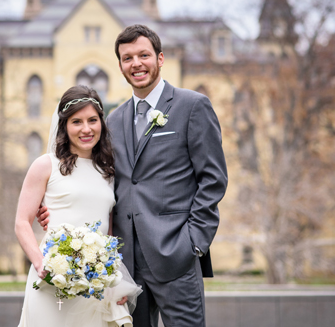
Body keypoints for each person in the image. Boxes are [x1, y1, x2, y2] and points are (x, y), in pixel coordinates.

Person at [38, 25, 228, 327]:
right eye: (128, 58)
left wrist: (194, 243)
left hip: (176, 256)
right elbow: (99, 178)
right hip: (127, 266)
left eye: (143, 55)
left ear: (160, 58)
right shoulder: (113, 120)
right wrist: (56, 207)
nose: (136, 64)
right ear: (120, 66)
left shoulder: (192, 106)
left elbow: (213, 179)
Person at [15, 85, 140, 327]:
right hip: (52, 281)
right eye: (77, 122)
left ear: (101, 123)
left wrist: (118, 282)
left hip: (94, 286)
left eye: (92, 120)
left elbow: (109, 233)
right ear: (65, 126)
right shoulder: (46, 165)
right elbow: (22, 222)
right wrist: (41, 263)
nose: (86, 129)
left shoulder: (108, 171)